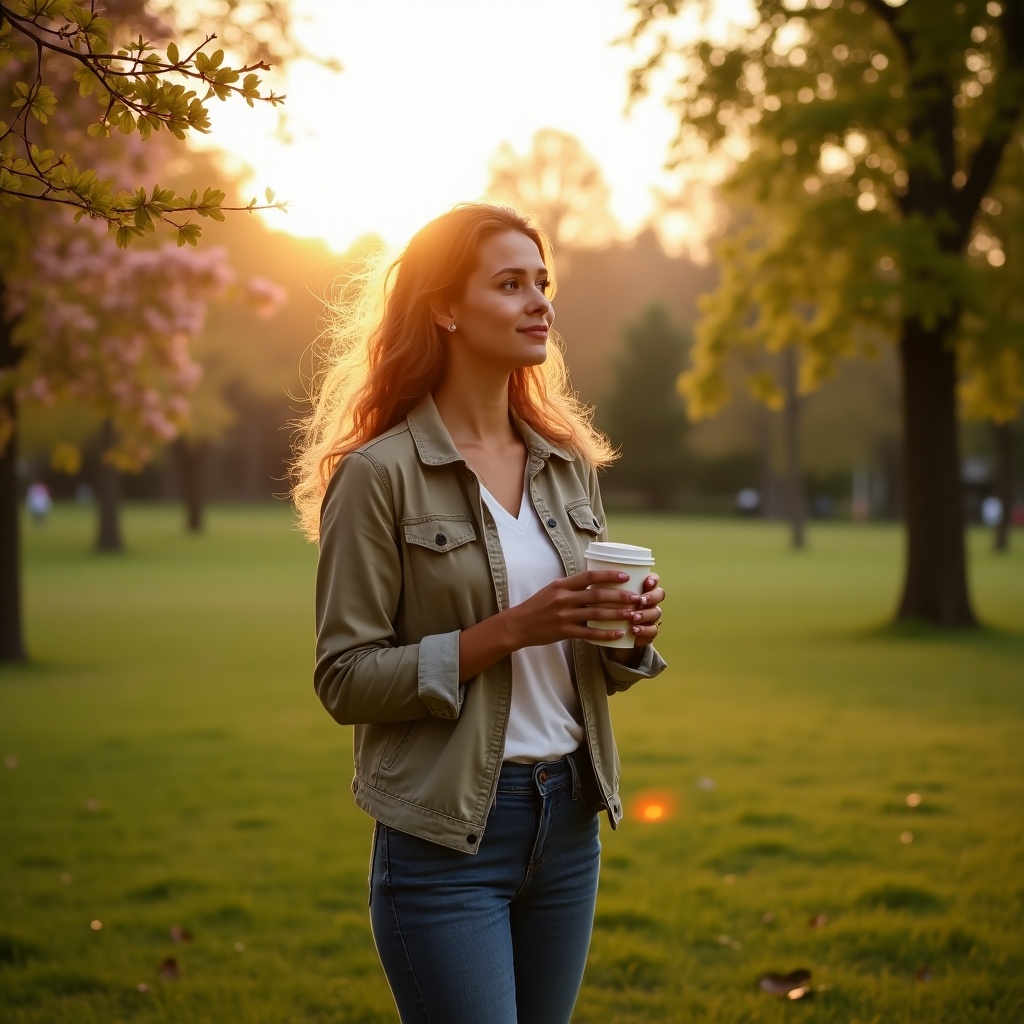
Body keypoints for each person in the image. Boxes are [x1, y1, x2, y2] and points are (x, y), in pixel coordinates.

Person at [292, 203, 667, 1024]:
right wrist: (509, 630)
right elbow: (345, 679)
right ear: (445, 307)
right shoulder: (378, 475)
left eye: (543, 283)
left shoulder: (567, 465)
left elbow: (587, 663)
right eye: (510, 284)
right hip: (446, 838)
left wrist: (630, 635)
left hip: (568, 822)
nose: (541, 303)